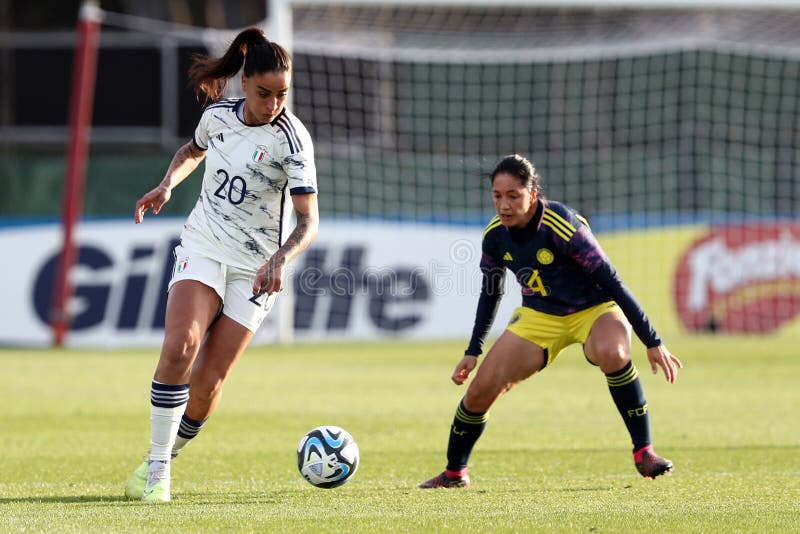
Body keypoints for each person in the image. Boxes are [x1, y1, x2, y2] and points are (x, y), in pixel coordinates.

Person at [123, 27, 318, 502]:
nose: (274, 104)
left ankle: (165, 456)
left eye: (282, 95)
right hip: (204, 244)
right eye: (264, 93)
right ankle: (157, 473)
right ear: (245, 84)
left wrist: (280, 257)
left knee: (208, 386)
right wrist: (168, 183)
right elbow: (192, 150)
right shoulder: (218, 117)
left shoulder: (292, 140)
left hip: (256, 268)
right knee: (180, 346)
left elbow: (309, 221)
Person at [419, 154, 682, 489]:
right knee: (479, 393)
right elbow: (491, 293)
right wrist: (474, 350)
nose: (504, 205)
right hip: (540, 316)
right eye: (497, 196)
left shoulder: (563, 225)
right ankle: (454, 473)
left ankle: (644, 452)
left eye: (513, 195)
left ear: (533, 193)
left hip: (595, 308)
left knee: (614, 353)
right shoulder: (495, 236)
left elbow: (613, 282)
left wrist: (653, 340)